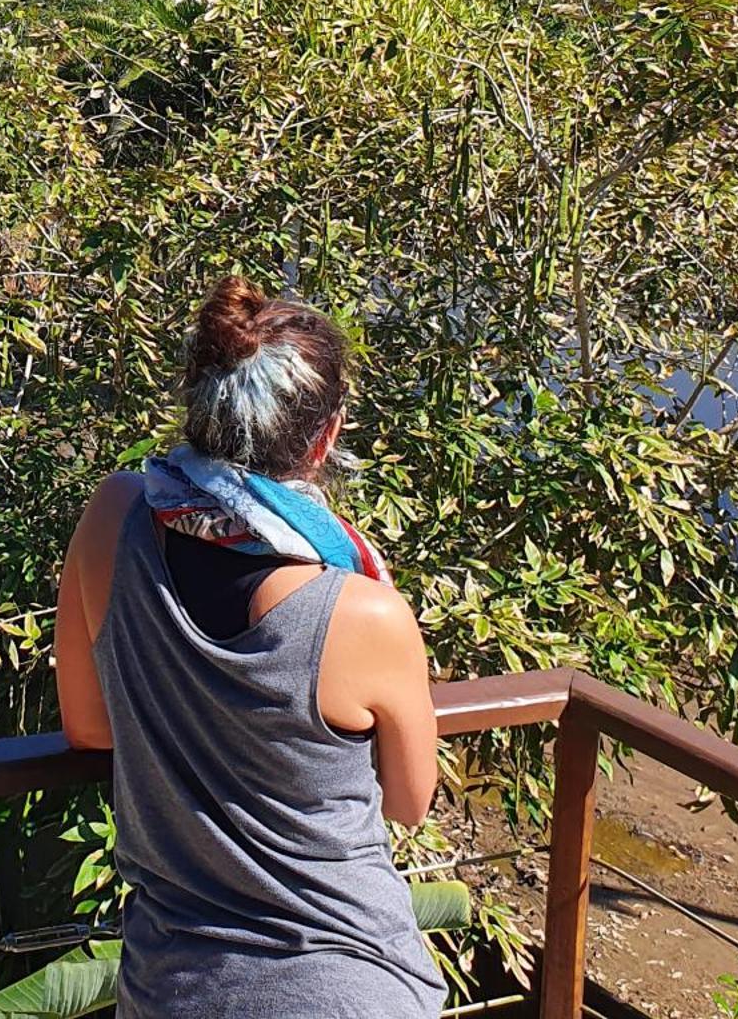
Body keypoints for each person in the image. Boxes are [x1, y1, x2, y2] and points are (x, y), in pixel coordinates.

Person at [54, 276, 444, 1018]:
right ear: (325, 437)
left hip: (174, 985)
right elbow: (408, 800)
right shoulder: (362, 612)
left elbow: (89, 727)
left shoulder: (113, 516)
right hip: (348, 983)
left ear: (198, 405)